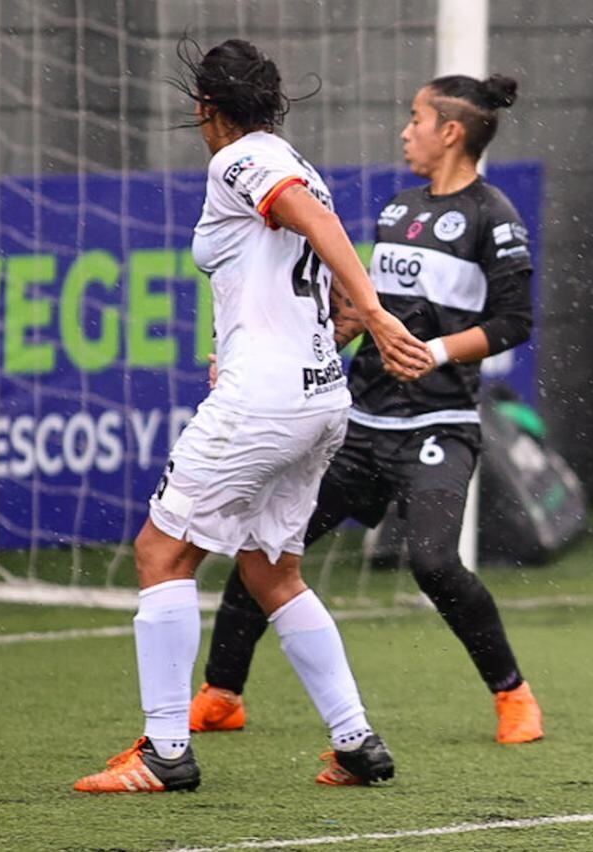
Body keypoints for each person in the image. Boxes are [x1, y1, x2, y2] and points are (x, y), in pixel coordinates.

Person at [72, 38, 434, 794]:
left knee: (160, 554)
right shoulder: (297, 162)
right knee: (272, 571)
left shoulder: (238, 160)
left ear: (206, 107)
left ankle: (165, 752)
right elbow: (313, 257)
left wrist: (371, 312)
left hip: (267, 401)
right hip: (318, 397)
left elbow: (308, 224)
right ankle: (356, 741)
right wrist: (315, 334)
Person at [190, 73, 545, 746]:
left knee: (434, 564)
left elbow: (515, 322)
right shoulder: (398, 210)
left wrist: (436, 352)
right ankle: (221, 694)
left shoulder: (494, 216)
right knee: (267, 548)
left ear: (450, 132)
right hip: (361, 423)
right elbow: (361, 312)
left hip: (439, 424)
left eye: (416, 119)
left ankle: (514, 695)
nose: (405, 132)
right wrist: (325, 336)